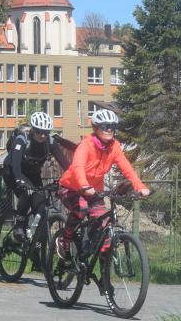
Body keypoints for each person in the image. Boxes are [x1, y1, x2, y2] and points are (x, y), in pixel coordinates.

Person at [57, 109, 150, 260]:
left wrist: (140, 187)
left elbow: (127, 168)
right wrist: (84, 186)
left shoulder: (114, 147)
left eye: (112, 127)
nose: (109, 130)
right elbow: (77, 167)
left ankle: (103, 277)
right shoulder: (86, 145)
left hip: (94, 191)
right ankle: (65, 240)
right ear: (95, 127)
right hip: (71, 187)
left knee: (104, 224)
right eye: (105, 126)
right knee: (81, 208)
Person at [3, 111, 70, 239]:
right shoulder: (22, 139)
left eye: (46, 132)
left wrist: (73, 180)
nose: (43, 135)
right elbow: (15, 163)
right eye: (39, 131)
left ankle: (36, 241)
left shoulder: (50, 142)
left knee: (40, 206)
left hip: (33, 174)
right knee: (27, 193)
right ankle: (19, 225)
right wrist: (19, 180)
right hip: (13, 171)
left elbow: (66, 164)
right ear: (33, 130)